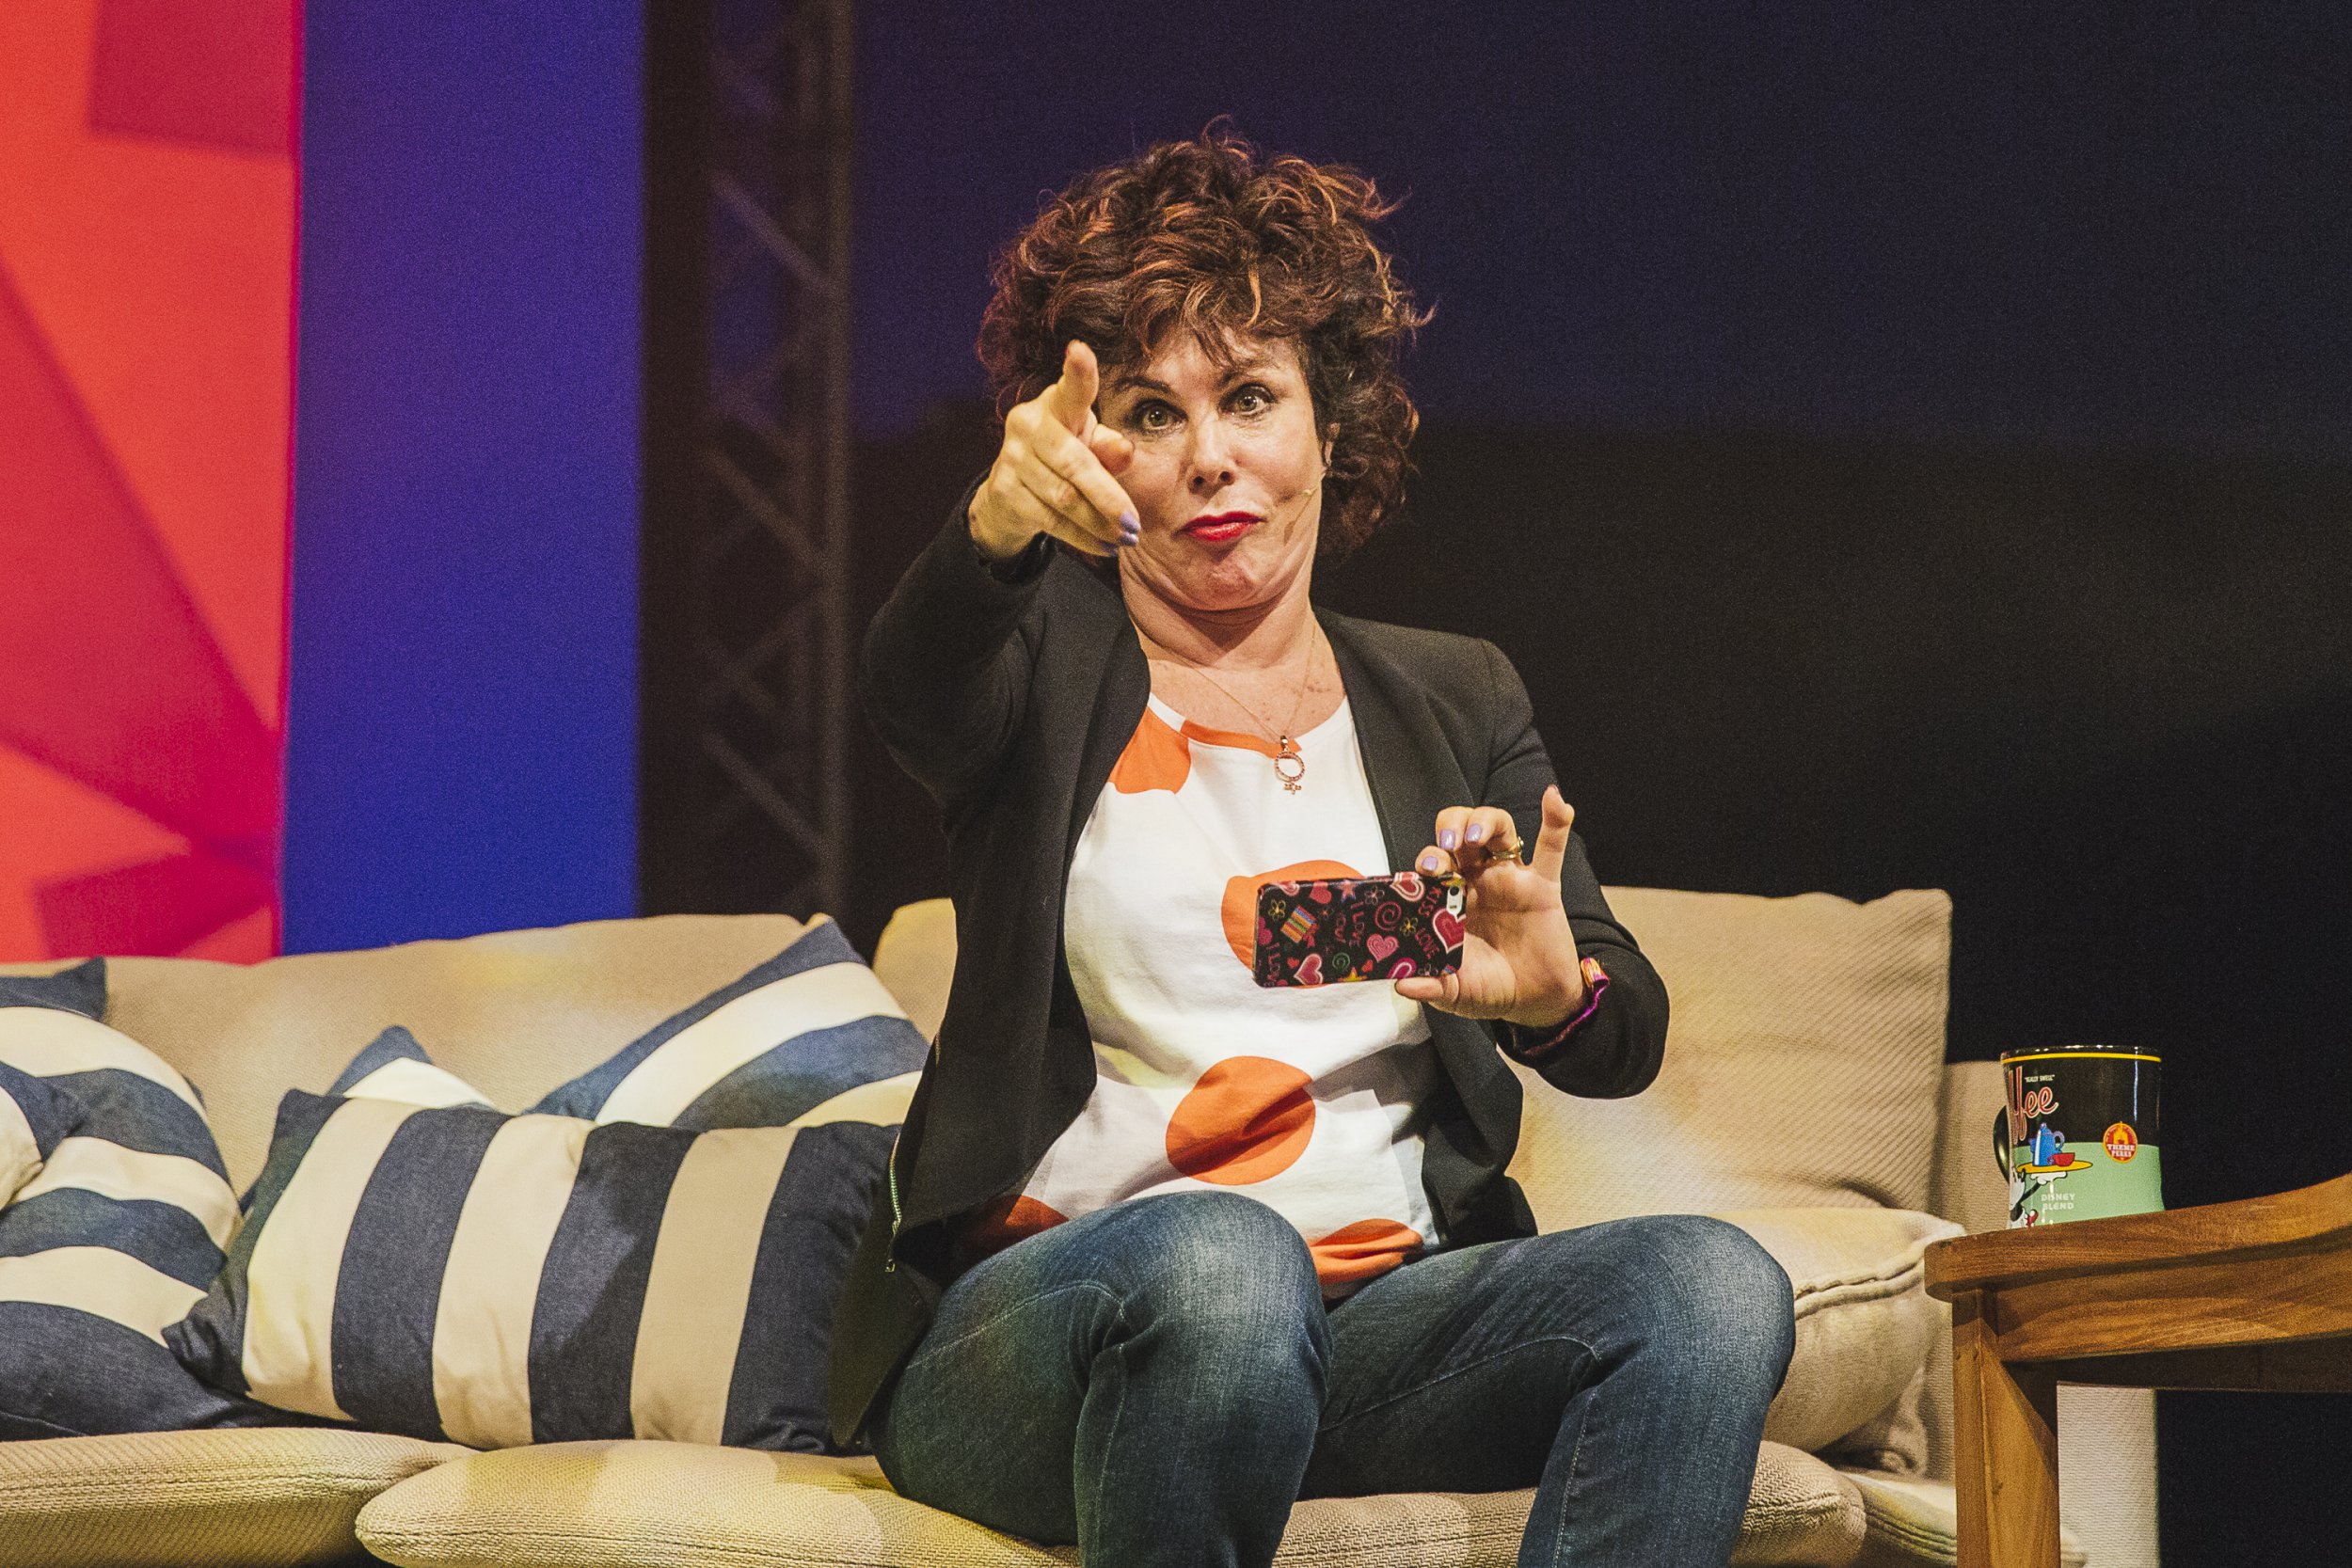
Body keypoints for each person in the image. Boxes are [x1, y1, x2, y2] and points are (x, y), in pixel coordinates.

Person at [833, 127, 1795, 1568]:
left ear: (1330, 429)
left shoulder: (1453, 693)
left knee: (1711, 1287)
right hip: (1059, 1333)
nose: (1210, 455)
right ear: (1096, 456)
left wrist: (1553, 990)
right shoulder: (1039, 661)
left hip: (1379, 1327)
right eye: (1152, 413)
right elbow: (912, 688)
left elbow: (1620, 1025)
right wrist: (997, 526)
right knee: (1226, 1265)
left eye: (1252, 397)